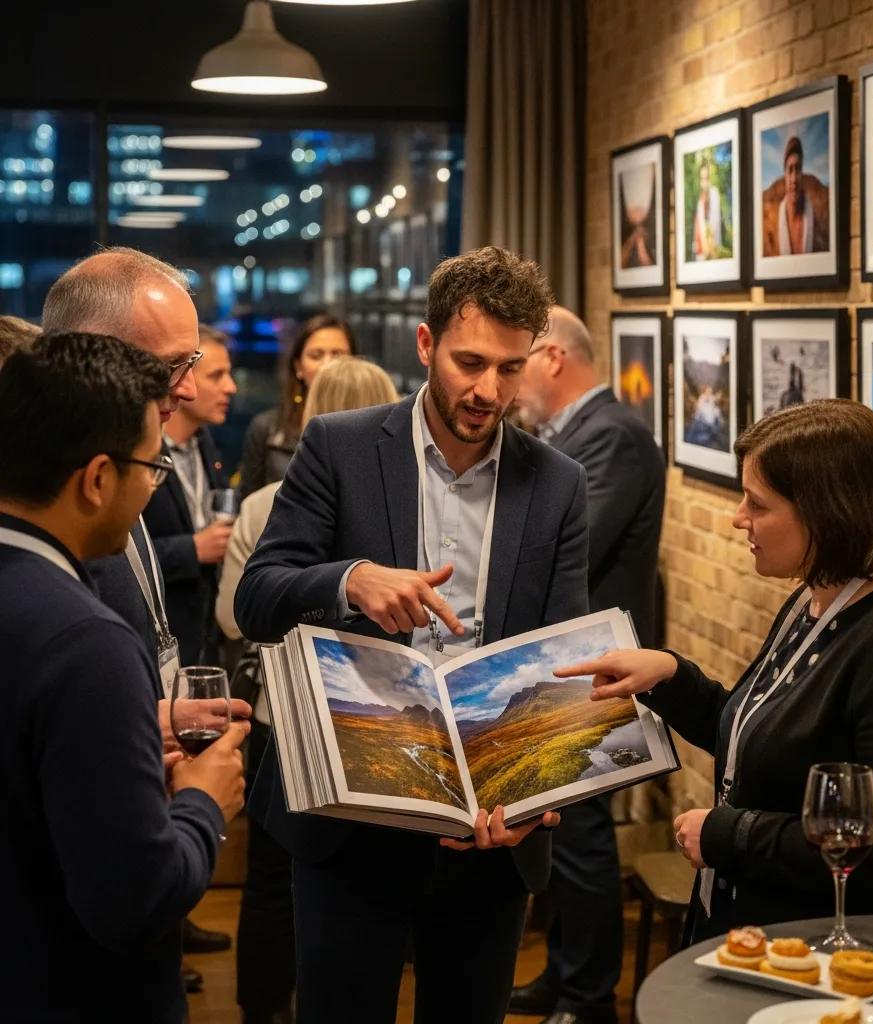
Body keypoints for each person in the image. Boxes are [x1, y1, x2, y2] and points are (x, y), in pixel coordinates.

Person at [235, 246, 589, 1024]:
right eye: (469, 363)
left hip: (487, 831)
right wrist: (349, 578)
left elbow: (564, 657)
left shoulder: (558, 482)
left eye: (509, 367)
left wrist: (533, 790)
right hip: (350, 817)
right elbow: (256, 599)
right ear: (425, 346)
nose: (488, 389)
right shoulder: (340, 444)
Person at [559, 399, 873, 945]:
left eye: (758, 504)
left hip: (843, 960)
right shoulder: (818, 597)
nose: (738, 518)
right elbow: (762, 742)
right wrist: (670, 677)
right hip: (765, 934)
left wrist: (727, 836)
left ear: (828, 513)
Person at [0, 331, 249, 1022]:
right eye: (151, 466)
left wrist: (131, 730)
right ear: (98, 478)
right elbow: (133, 900)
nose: (153, 485)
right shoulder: (88, 643)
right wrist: (203, 801)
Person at [42, 247, 246, 975]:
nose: (187, 391)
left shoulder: (135, 465)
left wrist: (146, 725)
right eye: (170, 368)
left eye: (192, 364)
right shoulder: (68, 499)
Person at [217, 356, 399, 1024]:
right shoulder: (390, 516)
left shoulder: (262, 505)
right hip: (381, 719)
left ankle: (261, 1010)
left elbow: (229, 616)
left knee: (273, 880)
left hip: (280, 713)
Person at [512, 306, 665, 1024]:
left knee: (581, 835)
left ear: (552, 358)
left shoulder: (615, 437)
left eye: (518, 363)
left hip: (601, 667)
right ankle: (563, 976)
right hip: (570, 663)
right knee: (564, 830)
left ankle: (589, 996)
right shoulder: (577, 434)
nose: (512, 384)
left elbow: (570, 548)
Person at [144, 324, 237, 665]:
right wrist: (193, 549)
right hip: (156, 645)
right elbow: (114, 555)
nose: (231, 387)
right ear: (184, 380)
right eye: (217, 376)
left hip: (203, 644)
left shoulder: (208, 445)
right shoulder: (140, 454)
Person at [238, 313, 355, 500]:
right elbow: (247, 505)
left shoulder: (370, 426)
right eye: (316, 355)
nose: (327, 365)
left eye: (338, 355)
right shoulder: (267, 429)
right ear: (298, 367)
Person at [776, 136, 814, 255]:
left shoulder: (812, 217)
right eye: (790, 170)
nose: (793, 179)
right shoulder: (776, 220)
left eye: (798, 170)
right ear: (785, 175)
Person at [692, 159, 723, 261]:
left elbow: (715, 223)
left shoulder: (714, 194)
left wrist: (709, 247)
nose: (704, 182)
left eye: (706, 178)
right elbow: (699, 229)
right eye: (702, 178)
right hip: (702, 253)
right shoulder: (700, 201)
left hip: (712, 252)